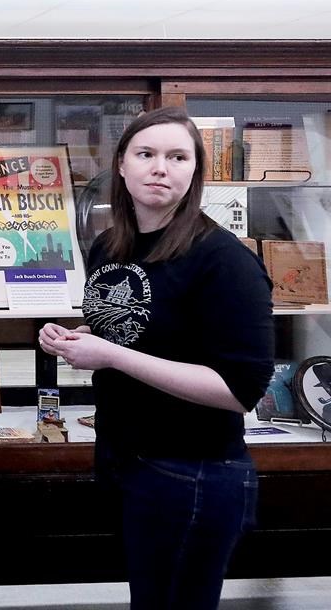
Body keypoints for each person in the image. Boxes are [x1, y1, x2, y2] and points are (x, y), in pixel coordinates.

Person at [38, 107, 273, 610]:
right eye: (146, 154)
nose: (160, 167)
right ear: (122, 165)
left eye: (177, 156)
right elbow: (138, 331)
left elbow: (239, 389)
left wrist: (112, 355)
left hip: (193, 472)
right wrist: (79, 339)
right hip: (128, 459)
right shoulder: (111, 244)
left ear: (194, 171)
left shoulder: (224, 260)